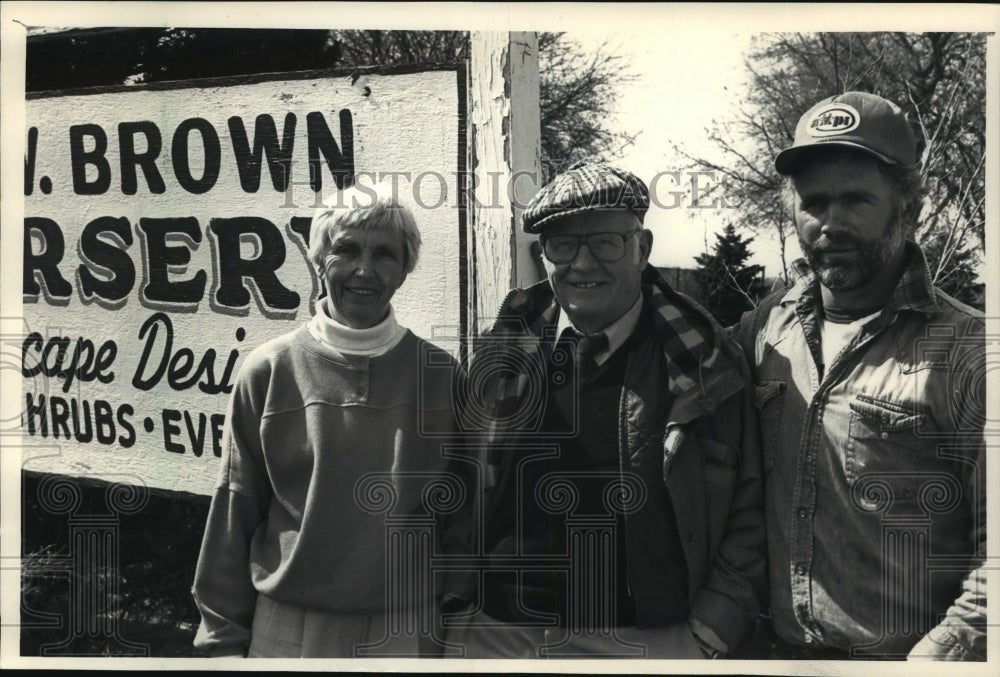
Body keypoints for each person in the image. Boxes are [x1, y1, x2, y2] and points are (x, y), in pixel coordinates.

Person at [446, 162, 766, 658]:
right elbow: (457, 480)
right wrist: (454, 598)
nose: (583, 264)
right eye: (563, 245)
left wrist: (709, 631)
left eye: (606, 243)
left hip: (642, 642)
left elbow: (751, 509)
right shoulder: (504, 346)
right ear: (543, 256)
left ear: (643, 248)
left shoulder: (704, 362)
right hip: (497, 632)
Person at [732, 91, 986, 660]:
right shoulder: (762, 332)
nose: (830, 223)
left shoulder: (968, 350)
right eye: (813, 202)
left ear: (910, 205)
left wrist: (939, 656)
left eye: (855, 200)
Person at [191, 182, 462, 658]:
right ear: (319, 258)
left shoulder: (441, 375)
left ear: (404, 269)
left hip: (408, 626)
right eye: (346, 250)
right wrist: (221, 639)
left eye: (385, 255)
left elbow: (463, 516)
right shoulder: (269, 369)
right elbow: (236, 507)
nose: (364, 269)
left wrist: (458, 622)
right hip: (289, 626)